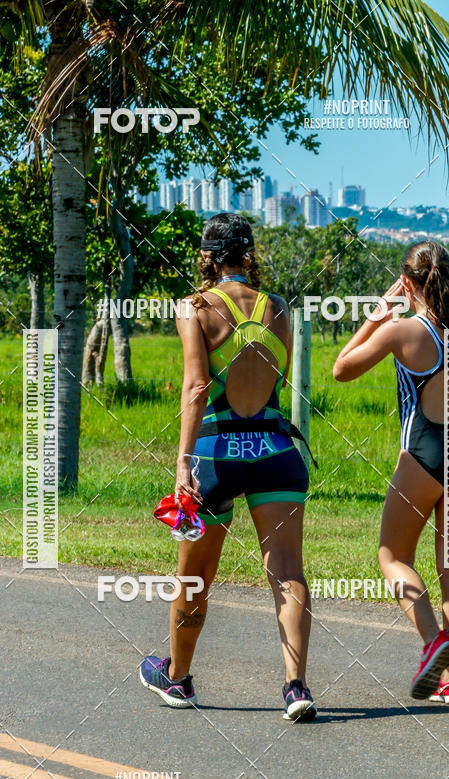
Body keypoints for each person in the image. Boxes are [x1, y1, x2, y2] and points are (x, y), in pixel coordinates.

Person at [140, 213, 317, 721]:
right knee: (286, 571)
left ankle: (177, 679)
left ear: (209, 257)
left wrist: (182, 462)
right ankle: (296, 686)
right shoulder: (279, 309)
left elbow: (197, 388)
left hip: (217, 454)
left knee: (195, 575)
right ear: (248, 254)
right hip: (276, 453)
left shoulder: (195, 308)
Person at [333, 240, 449, 704]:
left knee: (392, 558)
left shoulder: (401, 332)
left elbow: (341, 369)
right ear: (447, 279)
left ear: (407, 282)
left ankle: (433, 640)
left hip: (422, 454)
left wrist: (377, 314)